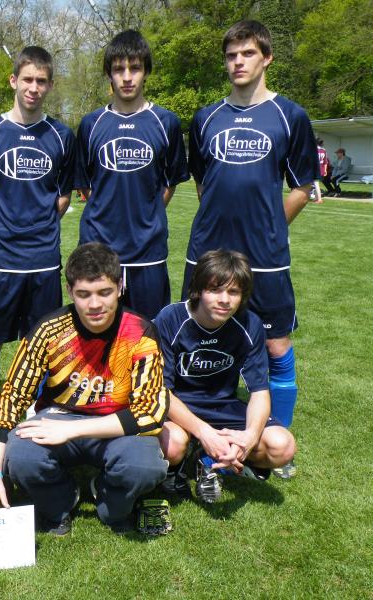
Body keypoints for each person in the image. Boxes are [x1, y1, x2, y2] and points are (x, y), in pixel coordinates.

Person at [184, 20, 318, 478]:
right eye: (231, 55)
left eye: (247, 54)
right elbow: (203, 182)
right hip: (207, 253)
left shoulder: (290, 116)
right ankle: (198, 436)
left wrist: (270, 227)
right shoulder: (205, 118)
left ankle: (275, 438)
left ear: (267, 58)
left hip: (266, 258)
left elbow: (302, 186)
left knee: (276, 343)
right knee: (197, 339)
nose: (238, 62)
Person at [0, 242, 169, 536]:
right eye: (84, 294)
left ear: (120, 287)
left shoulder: (141, 332)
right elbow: (12, 397)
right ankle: (61, 501)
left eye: (104, 292)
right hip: (59, 415)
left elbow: (151, 413)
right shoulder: (49, 330)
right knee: (21, 457)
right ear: (70, 291)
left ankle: (108, 496)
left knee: (145, 466)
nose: (94, 304)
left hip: (115, 423)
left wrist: (72, 430)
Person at [0, 46, 76, 456]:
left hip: (43, 262)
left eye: (41, 81)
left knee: (39, 345)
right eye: (27, 79)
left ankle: (32, 416)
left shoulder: (62, 136)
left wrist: (37, 226)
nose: (33, 87)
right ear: (13, 81)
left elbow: (62, 196)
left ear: (49, 85)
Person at [155, 250, 296, 503]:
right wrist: (204, 432)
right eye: (215, 290)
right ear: (198, 290)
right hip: (177, 407)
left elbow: (259, 391)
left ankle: (207, 460)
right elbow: (160, 391)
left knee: (282, 446)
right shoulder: (170, 319)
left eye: (233, 292)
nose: (224, 300)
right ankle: (188, 456)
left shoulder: (249, 324)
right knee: (173, 444)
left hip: (223, 406)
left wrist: (249, 437)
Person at [75, 30, 189, 319]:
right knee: (96, 335)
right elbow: (85, 186)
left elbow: (169, 183)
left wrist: (146, 214)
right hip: (98, 249)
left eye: (135, 68)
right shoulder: (91, 124)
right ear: (108, 74)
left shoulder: (166, 123)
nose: (127, 77)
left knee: (147, 333)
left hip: (148, 253)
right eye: (118, 69)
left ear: (146, 71)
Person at [312, 138, 328, 203]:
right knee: (316, 183)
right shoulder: (324, 150)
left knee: (316, 183)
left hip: (315, 168)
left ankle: (319, 199)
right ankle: (316, 198)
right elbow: (325, 162)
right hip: (321, 169)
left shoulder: (313, 149)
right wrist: (325, 170)